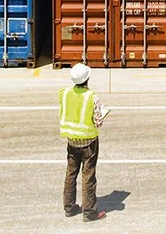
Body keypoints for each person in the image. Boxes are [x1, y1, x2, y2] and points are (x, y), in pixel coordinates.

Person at [59, 63, 107, 222]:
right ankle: (89, 212)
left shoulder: (64, 94)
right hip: (89, 142)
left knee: (71, 174)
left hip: (72, 141)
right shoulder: (91, 97)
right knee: (88, 176)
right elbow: (98, 122)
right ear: (87, 78)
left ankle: (69, 207)